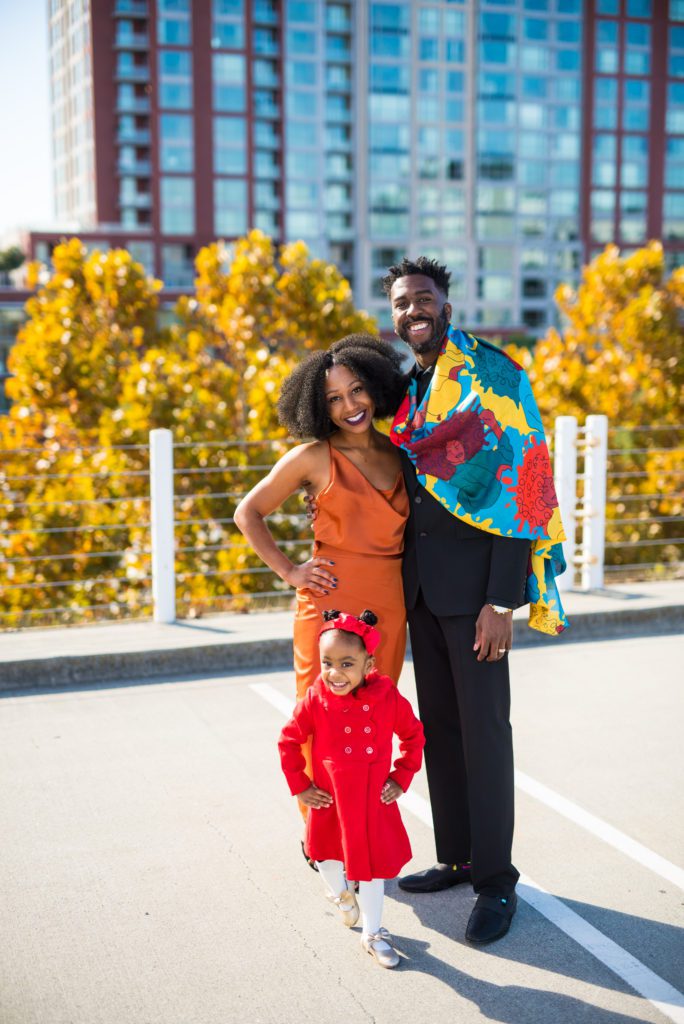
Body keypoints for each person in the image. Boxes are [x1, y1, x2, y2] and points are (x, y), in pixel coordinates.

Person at [383, 257, 567, 945]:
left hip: (476, 594)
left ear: (446, 306)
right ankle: (457, 858)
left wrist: (501, 600)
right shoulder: (407, 388)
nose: (413, 310)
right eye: (402, 302)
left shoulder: (495, 376)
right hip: (422, 590)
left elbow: (525, 485)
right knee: (441, 729)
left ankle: (495, 882)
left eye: (423, 298)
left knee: (485, 736)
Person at [233, 334, 409, 852]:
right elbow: (248, 512)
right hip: (328, 603)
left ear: (374, 387)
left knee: (373, 721)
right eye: (333, 398)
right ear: (317, 405)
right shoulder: (313, 457)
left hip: (388, 605)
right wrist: (291, 571)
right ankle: (321, 837)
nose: (350, 405)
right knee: (320, 723)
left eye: (356, 390)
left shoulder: (401, 453)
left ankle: (362, 830)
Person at [278, 609, 425, 969]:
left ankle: (373, 934)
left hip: (372, 801)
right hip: (329, 799)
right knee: (325, 856)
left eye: (347, 664)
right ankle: (341, 895)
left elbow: (413, 736)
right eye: (327, 663)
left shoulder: (388, 697)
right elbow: (288, 740)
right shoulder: (315, 698)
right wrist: (301, 786)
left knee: (371, 869)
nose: (335, 673)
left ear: (368, 664)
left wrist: (400, 777)